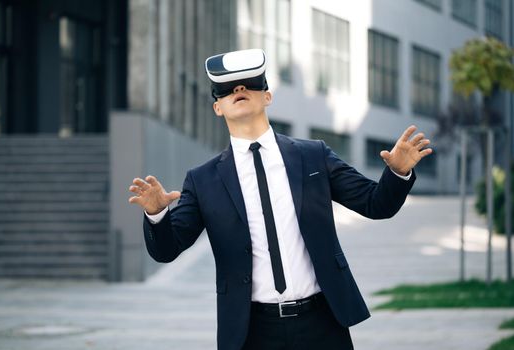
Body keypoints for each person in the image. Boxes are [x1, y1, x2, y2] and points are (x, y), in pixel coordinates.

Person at [128, 49, 432, 350]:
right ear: (217, 107)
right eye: (226, 89)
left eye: (250, 83)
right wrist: (157, 215)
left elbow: (375, 204)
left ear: (268, 97)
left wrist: (398, 173)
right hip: (252, 331)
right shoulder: (203, 180)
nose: (239, 90)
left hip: (322, 323)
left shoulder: (314, 155)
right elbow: (167, 249)